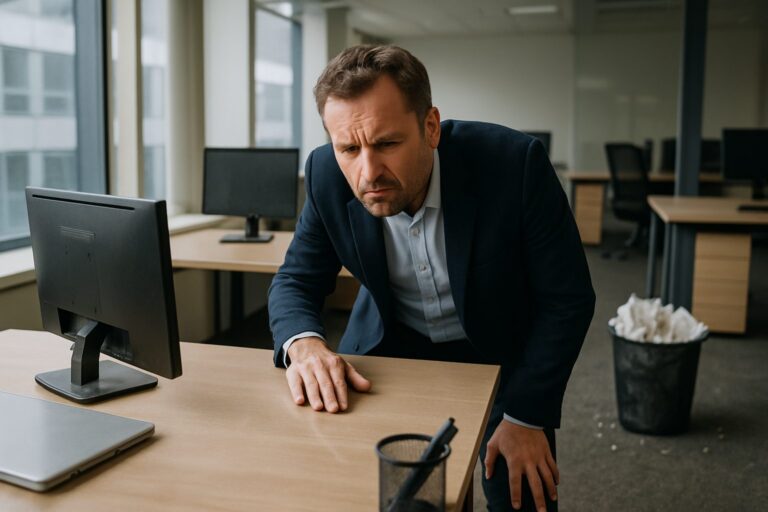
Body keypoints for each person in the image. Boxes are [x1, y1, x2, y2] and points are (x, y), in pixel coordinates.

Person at [268, 44, 595, 512]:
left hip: (500, 350)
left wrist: (527, 415)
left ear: (431, 127)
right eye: (349, 148)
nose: (368, 172)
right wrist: (305, 344)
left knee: (520, 493)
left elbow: (568, 298)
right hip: (394, 345)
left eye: (386, 144)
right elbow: (296, 280)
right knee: (402, 495)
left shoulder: (513, 164)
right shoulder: (324, 173)